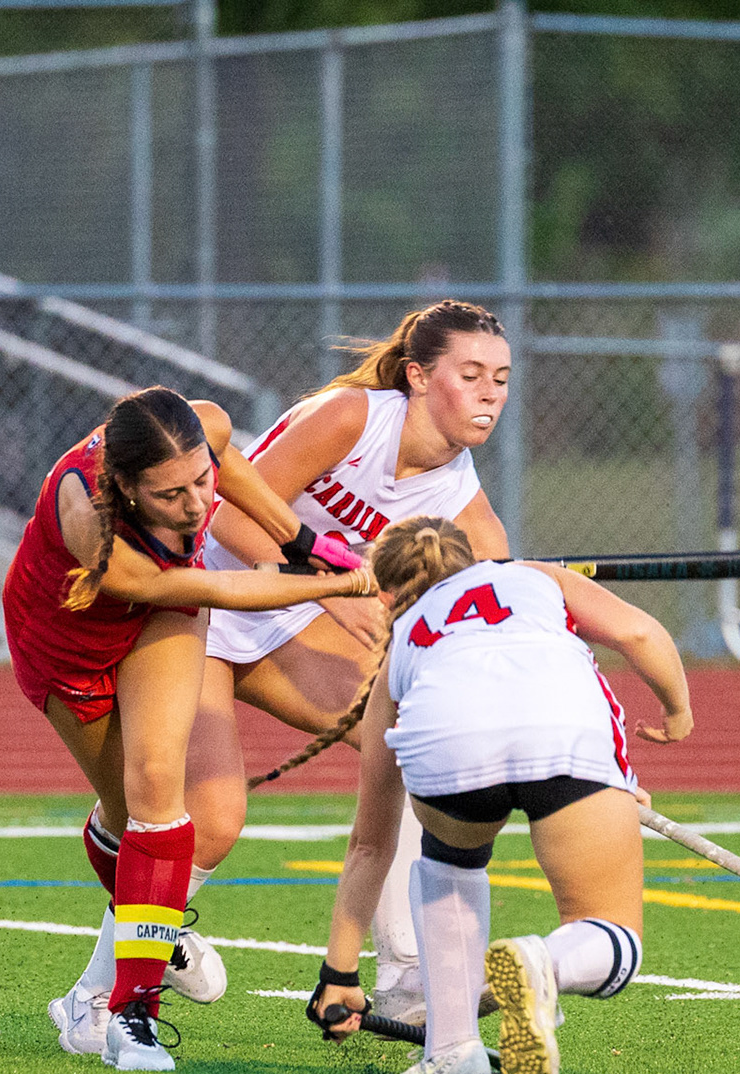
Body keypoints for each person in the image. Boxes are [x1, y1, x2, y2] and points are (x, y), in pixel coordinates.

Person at [53, 300, 515, 1033]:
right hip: (202, 602)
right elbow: (227, 513)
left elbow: (502, 608)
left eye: (501, 378)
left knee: (409, 741)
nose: (490, 393)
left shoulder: (464, 502)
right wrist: (331, 592)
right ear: (420, 376)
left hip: (286, 621)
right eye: (471, 374)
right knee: (212, 821)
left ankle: (406, 976)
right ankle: (93, 997)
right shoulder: (352, 419)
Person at [4, 385, 374, 1072]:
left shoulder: (204, 430)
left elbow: (226, 460)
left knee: (157, 792)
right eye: (170, 495)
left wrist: (309, 543)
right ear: (125, 487)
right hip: (65, 640)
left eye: (201, 480)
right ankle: (156, 915)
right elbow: (225, 588)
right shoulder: (94, 528)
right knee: (124, 817)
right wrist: (344, 582)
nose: (197, 505)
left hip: (164, 620)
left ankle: (131, 1016)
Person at [300, 516, 694, 1074]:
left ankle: (451, 1053)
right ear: (476, 560)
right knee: (614, 936)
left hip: (449, 745)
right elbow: (639, 634)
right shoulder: (536, 577)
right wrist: (676, 712)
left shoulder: (401, 648)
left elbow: (371, 843)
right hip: (563, 731)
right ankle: (545, 963)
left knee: (447, 862)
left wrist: (339, 973)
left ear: (384, 596)